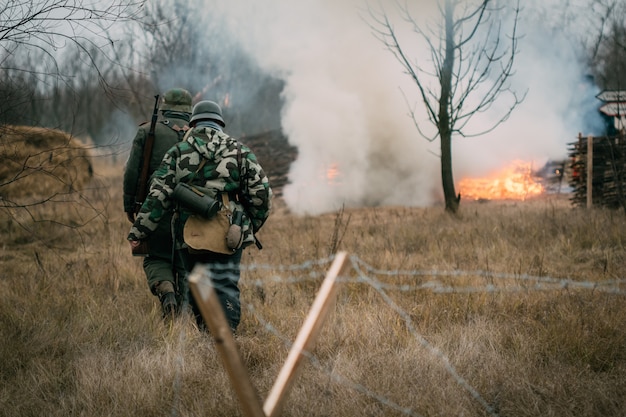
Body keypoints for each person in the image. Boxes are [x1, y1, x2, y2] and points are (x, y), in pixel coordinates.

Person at [127, 100, 272, 331]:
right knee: (225, 283)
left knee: (196, 283)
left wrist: (139, 231)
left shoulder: (177, 152)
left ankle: (206, 334)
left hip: (189, 231)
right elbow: (262, 194)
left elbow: (158, 194)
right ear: (220, 124)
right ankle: (227, 338)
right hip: (229, 230)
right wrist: (249, 225)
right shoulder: (239, 150)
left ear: (193, 123)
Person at [123, 88, 193, 319]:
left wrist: (130, 205)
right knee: (184, 260)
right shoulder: (197, 135)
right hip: (191, 210)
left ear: (164, 106)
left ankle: (167, 293)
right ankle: (181, 315)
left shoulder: (146, 132)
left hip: (154, 207)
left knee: (156, 256)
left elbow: (132, 171)